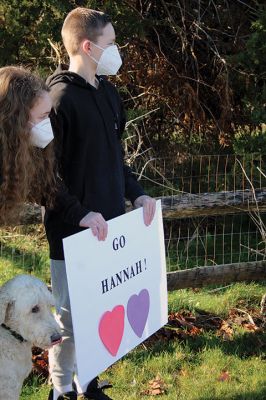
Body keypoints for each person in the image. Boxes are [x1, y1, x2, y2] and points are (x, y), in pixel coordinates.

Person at [45, 7, 156, 400]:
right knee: (71, 321)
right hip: (71, 235)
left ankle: (87, 383)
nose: (117, 51)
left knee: (99, 314)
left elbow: (114, 158)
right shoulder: (57, 99)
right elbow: (47, 179)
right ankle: (60, 392)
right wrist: (79, 215)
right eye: (111, 43)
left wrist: (137, 193)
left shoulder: (109, 93)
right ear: (89, 46)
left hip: (110, 228)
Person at [0, 66, 56, 225]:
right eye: (43, 116)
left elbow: (47, 188)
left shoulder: (14, 148)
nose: (48, 124)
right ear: (17, 117)